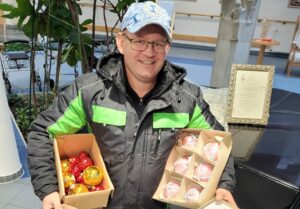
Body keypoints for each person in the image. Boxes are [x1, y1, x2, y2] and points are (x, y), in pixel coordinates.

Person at [27, 1, 237, 209]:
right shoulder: (90, 91)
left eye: (158, 43)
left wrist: (223, 184)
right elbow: (42, 132)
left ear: (167, 48)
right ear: (121, 42)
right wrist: (49, 189)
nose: (149, 52)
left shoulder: (187, 99)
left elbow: (219, 144)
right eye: (139, 41)